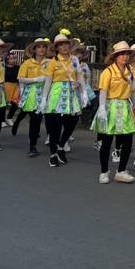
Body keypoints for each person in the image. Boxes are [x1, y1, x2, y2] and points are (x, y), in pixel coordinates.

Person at [92, 41, 135, 185]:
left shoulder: (130, 72)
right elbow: (103, 91)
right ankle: (104, 171)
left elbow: (133, 91)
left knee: (128, 140)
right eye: (122, 54)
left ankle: (121, 171)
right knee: (107, 141)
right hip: (111, 106)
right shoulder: (108, 72)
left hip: (124, 106)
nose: (125, 57)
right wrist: (101, 108)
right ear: (115, 56)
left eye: (127, 54)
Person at [40, 30, 82, 167]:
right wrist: (44, 99)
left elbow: (80, 76)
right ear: (57, 48)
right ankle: (53, 154)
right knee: (55, 126)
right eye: (61, 45)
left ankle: (61, 145)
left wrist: (83, 93)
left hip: (71, 93)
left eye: (66, 44)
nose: (64, 47)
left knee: (72, 121)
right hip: (57, 94)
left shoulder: (75, 60)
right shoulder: (53, 62)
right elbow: (48, 81)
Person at [13, 38, 49, 157]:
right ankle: (32, 146)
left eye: (43, 46)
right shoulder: (27, 63)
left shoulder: (50, 62)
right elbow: (21, 78)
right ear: (34, 49)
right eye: (38, 47)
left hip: (46, 92)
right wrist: (35, 79)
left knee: (43, 119)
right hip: (32, 93)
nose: (41, 49)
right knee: (35, 119)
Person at [3, 49, 21, 124]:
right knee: (3, 104)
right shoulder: (4, 68)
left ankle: (9, 117)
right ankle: (2, 120)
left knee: (15, 103)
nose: (13, 60)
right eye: (11, 58)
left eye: (15, 58)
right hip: (6, 86)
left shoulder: (18, 67)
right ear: (7, 59)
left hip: (16, 86)